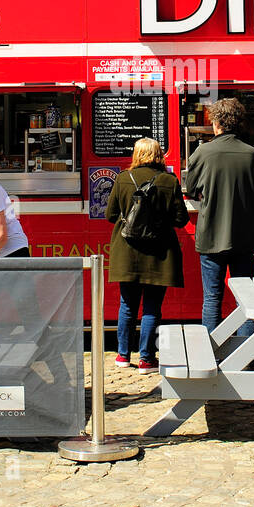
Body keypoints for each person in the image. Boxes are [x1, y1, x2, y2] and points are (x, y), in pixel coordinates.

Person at [105, 137, 189, 371]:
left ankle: (122, 356)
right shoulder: (169, 181)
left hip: (127, 252)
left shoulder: (123, 178)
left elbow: (110, 215)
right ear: (159, 154)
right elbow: (181, 219)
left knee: (127, 305)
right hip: (159, 253)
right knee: (152, 307)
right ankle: (146, 358)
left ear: (136, 154)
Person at [185, 97, 254, 334]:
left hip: (211, 236)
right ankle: (247, 355)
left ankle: (213, 354)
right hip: (244, 236)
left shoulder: (204, 152)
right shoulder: (252, 154)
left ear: (216, 123)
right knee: (246, 300)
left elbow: (191, 187)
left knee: (212, 298)